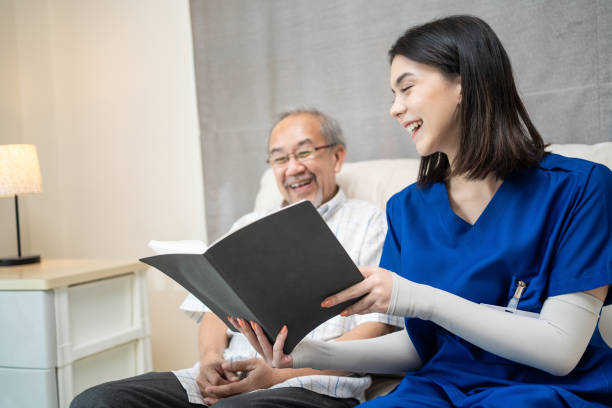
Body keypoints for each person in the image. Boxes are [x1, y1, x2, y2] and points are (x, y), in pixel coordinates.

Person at [231, 16, 612, 407]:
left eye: (407, 88)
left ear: (464, 81)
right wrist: (305, 356)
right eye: (393, 94)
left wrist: (418, 298)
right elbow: (419, 346)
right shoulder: (408, 208)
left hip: (543, 391)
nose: (395, 109)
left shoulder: (581, 187)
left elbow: (560, 350)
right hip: (436, 390)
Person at [70, 109, 402, 408]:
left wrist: (275, 376)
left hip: (313, 385)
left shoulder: (371, 223)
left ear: (337, 157)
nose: (293, 169)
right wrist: (210, 360)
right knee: (97, 401)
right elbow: (213, 311)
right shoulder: (248, 224)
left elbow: (376, 327)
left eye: (304, 152)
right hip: (231, 377)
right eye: (279, 159)